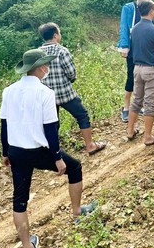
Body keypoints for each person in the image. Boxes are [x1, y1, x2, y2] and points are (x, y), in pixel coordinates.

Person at [0, 49, 97, 248]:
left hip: (16, 151)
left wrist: (5, 152)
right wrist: (57, 157)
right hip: (39, 151)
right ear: (41, 68)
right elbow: (50, 129)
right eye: (46, 65)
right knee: (75, 167)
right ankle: (77, 212)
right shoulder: (45, 93)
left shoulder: (9, 91)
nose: (47, 68)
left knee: (20, 198)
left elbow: (4, 124)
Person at [39, 22, 106, 155]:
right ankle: (90, 145)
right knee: (82, 115)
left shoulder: (38, 53)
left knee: (51, 124)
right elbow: (71, 73)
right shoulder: (62, 51)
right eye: (59, 32)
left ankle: (52, 153)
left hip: (46, 96)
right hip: (65, 94)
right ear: (55, 35)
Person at [126, 0, 154, 145]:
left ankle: (130, 131)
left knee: (137, 100)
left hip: (137, 68)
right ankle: (148, 137)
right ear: (151, 11)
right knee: (150, 103)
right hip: (152, 70)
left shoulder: (135, 29)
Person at [117, 0, 154, 122]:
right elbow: (124, 26)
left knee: (142, 76)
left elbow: (152, 28)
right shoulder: (129, 8)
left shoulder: (150, 9)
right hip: (132, 47)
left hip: (144, 47)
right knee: (131, 76)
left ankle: (138, 105)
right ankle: (126, 107)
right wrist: (124, 46)